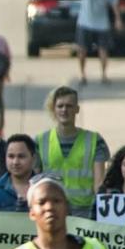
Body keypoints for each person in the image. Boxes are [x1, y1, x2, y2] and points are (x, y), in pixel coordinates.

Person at [38, 87, 108, 217]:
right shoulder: (40, 141)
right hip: (52, 210)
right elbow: (35, 181)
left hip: (85, 213)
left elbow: (99, 184)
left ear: (77, 109)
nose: (64, 110)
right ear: (54, 109)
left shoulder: (94, 140)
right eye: (60, 106)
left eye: (69, 106)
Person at [74, 0, 116, 85]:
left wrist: (118, 20)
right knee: (82, 49)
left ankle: (103, 74)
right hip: (85, 22)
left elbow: (113, 2)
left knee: (103, 49)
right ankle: (82, 74)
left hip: (102, 23)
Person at [0, 134, 36, 215]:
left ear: (33, 158)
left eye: (21, 156)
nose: (15, 162)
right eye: (11, 156)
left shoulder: (45, 190)